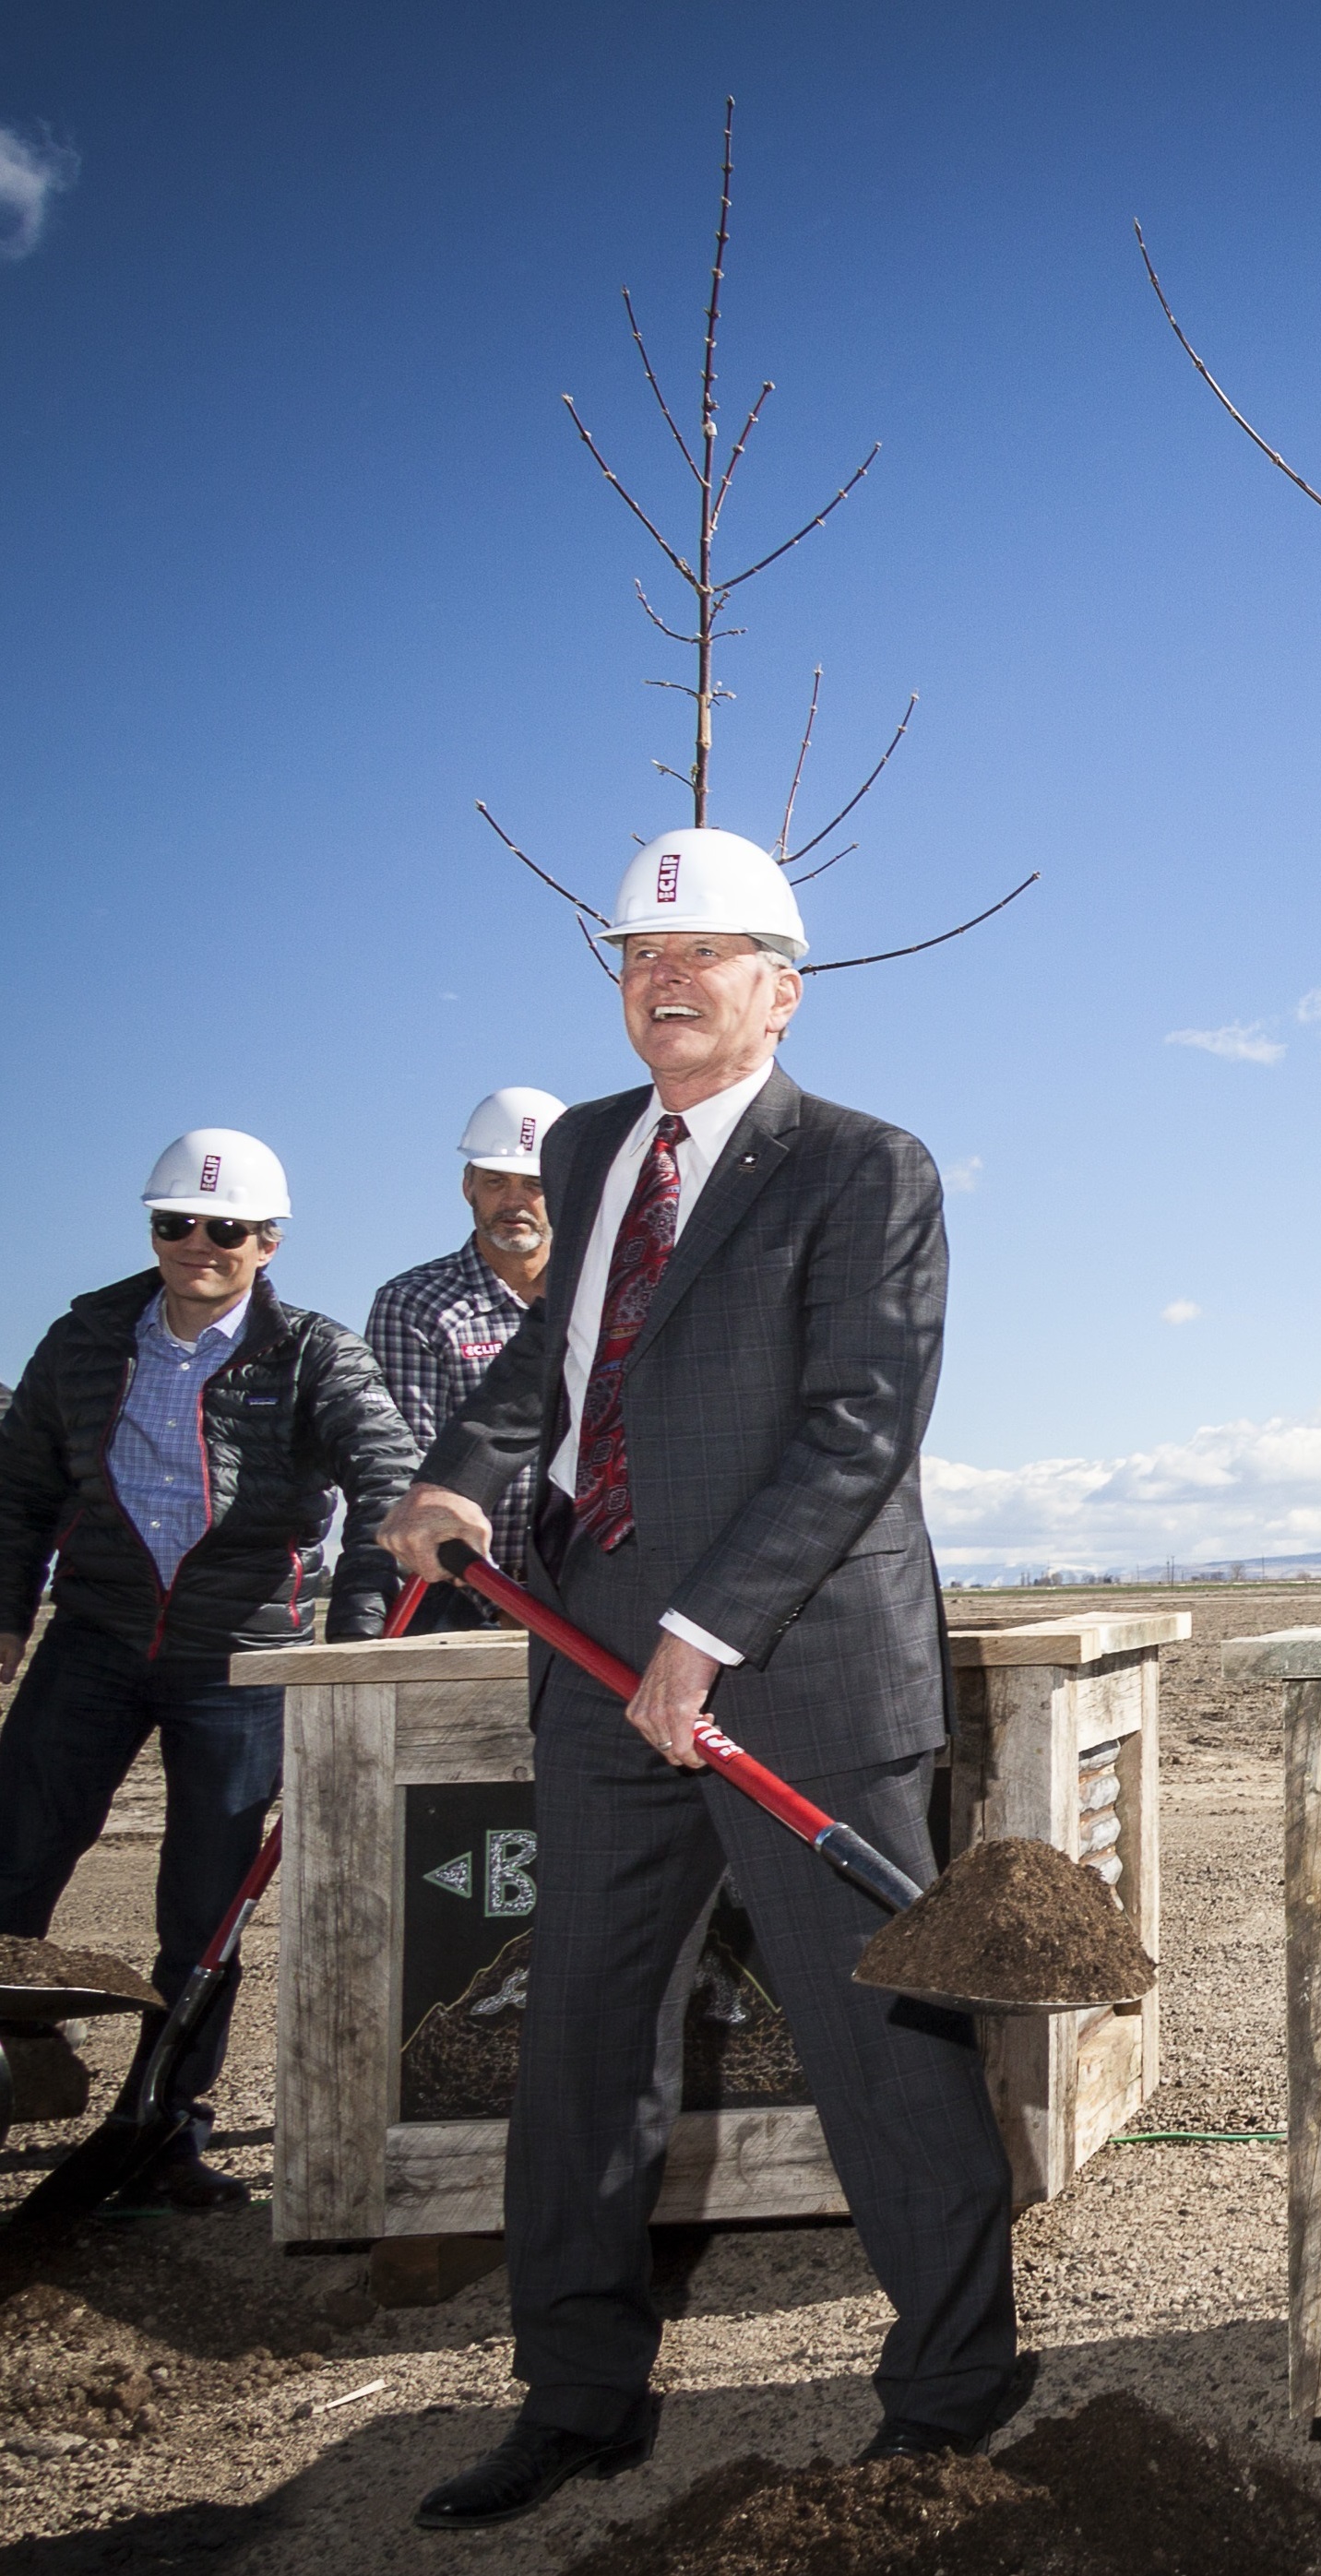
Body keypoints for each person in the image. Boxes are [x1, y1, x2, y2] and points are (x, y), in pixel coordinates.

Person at [380, 827, 1022, 2533]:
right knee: (582, 2025)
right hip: (596, 1656)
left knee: (877, 2028)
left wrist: (706, 1629)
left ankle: (952, 2388)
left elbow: (857, 1427)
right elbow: (557, 1359)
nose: (664, 980)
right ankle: (578, 2389)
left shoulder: (865, 1171)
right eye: (637, 957)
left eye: (709, 953)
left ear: (782, 989)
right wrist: (464, 1469)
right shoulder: (593, 1147)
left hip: (793, 1662)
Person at [0, 1130, 417, 2202]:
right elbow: (20, 1489)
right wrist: (6, 1615)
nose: (197, 1244)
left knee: (205, 1905)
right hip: (92, 1638)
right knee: (14, 1855)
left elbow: (388, 1485)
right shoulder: (86, 1335)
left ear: (267, 1242)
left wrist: (359, 1641)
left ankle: (166, 2129)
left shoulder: (316, 1354)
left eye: (224, 1229)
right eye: (173, 1224)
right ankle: (20, 2053)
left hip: (238, 1659)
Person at [365, 1087, 569, 1632]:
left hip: (587, 1603)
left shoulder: (605, 1300)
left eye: (535, 1185)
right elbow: (414, 1468)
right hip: (462, 1597)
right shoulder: (414, 1303)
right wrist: (497, 1603)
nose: (514, 1201)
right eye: (496, 1182)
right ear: (468, 1188)